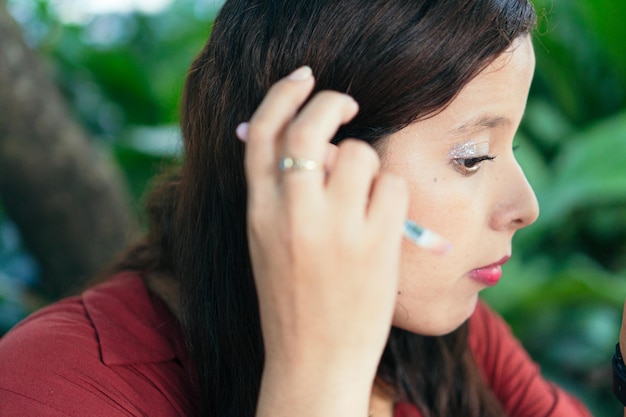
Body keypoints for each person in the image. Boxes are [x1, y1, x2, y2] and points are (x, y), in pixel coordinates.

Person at [0, 0, 598, 416]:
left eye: (509, 145)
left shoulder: (446, 337)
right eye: (472, 156)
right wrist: (317, 378)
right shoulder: (52, 387)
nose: (526, 207)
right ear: (315, 155)